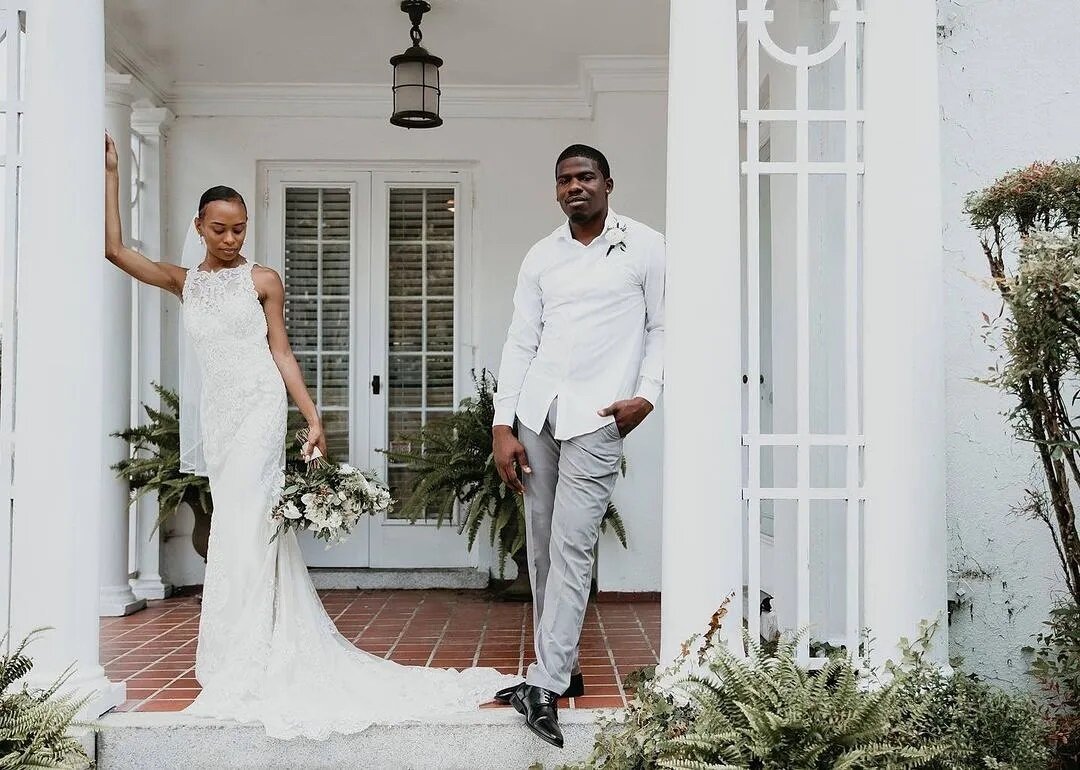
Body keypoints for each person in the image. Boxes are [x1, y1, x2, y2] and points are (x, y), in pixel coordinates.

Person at [104, 134, 515, 740]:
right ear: (199, 226)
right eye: (220, 228)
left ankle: (252, 654)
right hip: (221, 417)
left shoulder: (263, 279)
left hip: (260, 411)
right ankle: (234, 652)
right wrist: (112, 174)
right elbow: (113, 250)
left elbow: (282, 352)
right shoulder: (181, 280)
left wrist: (312, 416)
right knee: (237, 524)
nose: (231, 239)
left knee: (251, 524)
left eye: (240, 228)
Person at [490, 144, 666, 748]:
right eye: (564, 179)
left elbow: (665, 326)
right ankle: (558, 670)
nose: (575, 187)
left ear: (608, 183)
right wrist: (502, 424)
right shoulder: (542, 257)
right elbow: (520, 341)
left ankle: (545, 677)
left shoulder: (646, 246)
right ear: (556, 190)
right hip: (539, 415)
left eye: (585, 177)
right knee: (540, 546)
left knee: (573, 542)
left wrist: (647, 395)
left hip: (599, 417)